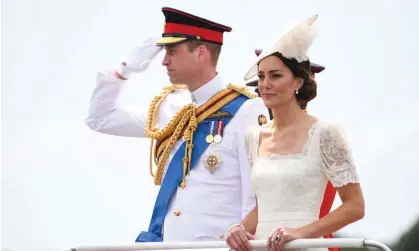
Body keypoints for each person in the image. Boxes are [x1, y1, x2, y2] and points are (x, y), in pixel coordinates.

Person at [85, 7, 270, 243]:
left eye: (172, 51)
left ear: (201, 53)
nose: (164, 61)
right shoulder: (170, 107)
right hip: (172, 243)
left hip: (219, 245)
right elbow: (99, 119)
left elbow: (254, 194)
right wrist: (123, 70)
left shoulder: (246, 109)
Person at [226, 15, 365, 251]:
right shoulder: (253, 137)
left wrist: (299, 234)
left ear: (297, 82)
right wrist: (238, 229)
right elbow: (265, 207)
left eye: (275, 75)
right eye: (261, 77)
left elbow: (355, 206)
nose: (265, 84)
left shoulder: (326, 132)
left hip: (305, 246)